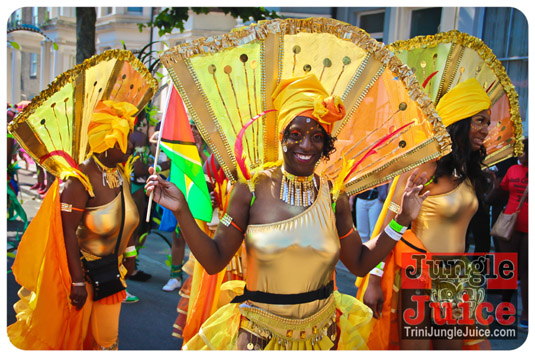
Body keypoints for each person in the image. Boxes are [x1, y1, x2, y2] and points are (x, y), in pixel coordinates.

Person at [145, 74, 431, 350]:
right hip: (259, 338)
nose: (306, 145)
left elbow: (358, 263)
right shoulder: (250, 191)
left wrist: (402, 220)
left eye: (317, 137)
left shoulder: (335, 196)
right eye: (296, 134)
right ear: (281, 135)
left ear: (326, 142)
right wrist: (182, 210)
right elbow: (214, 260)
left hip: (322, 337)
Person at [361, 78, 494, 350]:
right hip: (417, 276)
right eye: (480, 120)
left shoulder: (468, 170)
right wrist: (373, 281)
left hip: (455, 276)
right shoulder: (422, 169)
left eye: (487, 122)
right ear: (460, 121)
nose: (486, 129)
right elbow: (388, 225)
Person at [8, 100, 141, 350]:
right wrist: (77, 281)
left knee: (106, 339)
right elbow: (66, 230)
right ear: (105, 146)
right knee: (73, 338)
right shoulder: (79, 181)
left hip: (112, 273)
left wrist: (131, 253)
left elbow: (127, 218)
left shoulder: (120, 173)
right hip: (83, 275)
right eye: (125, 140)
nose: (132, 146)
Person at [492, 138, 528, 329]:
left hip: (530, 228)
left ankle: (526, 313)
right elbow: (502, 190)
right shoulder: (513, 170)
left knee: (527, 270)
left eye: (522, 151)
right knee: (508, 268)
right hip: (509, 225)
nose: (519, 154)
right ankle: (505, 308)